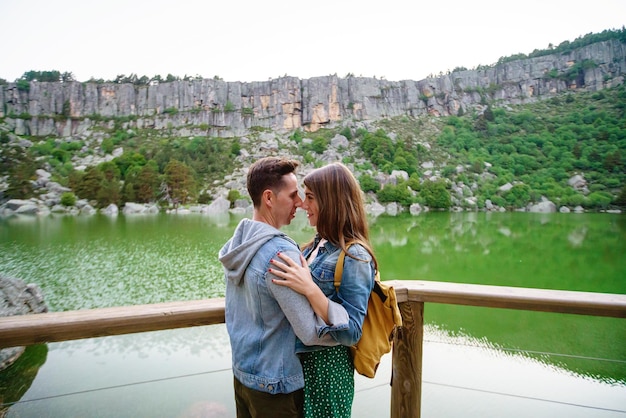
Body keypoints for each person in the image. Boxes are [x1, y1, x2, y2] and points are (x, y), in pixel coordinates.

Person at [218, 157, 349, 418]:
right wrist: (349, 327)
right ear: (269, 198)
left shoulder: (240, 242)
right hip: (275, 387)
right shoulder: (279, 252)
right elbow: (310, 333)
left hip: (243, 378)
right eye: (292, 196)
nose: (300, 203)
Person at [270, 162, 377, 418]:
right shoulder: (313, 246)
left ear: (331, 201)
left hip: (328, 374)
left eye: (310, 197)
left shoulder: (355, 255)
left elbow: (352, 332)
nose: (303, 205)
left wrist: (309, 288)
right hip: (298, 369)